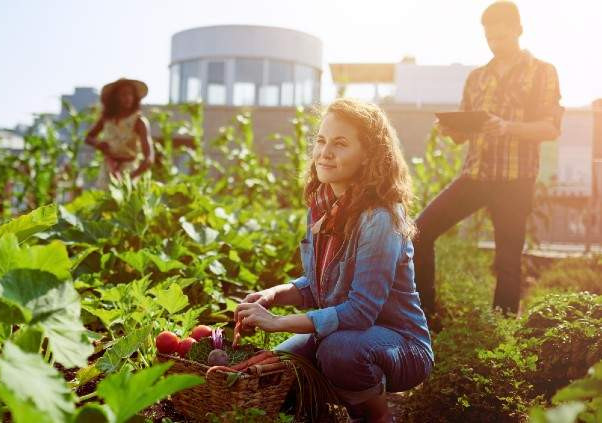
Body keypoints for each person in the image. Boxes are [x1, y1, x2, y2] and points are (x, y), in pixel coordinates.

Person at [235, 98, 433, 422]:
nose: (325, 152)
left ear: (369, 155)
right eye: (322, 141)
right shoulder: (323, 208)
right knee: (280, 367)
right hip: (347, 333)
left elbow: (359, 312)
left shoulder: (379, 218)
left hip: (402, 345)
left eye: (340, 144)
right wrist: (273, 295)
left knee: (338, 352)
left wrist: (277, 323)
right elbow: (317, 287)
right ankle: (328, 406)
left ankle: (377, 416)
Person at [413, 1, 563, 319]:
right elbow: (464, 135)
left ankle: (502, 328)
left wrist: (508, 127)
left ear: (518, 31)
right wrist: (449, 130)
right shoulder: (477, 78)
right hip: (476, 175)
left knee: (508, 260)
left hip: (515, 179)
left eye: (502, 38)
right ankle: (424, 314)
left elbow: (550, 128)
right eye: (489, 39)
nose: (495, 44)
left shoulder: (542, 72)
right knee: (419, 231)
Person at [84, 78, 154, 187]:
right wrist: (98, 144)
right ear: (115, 98)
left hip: (129, 170)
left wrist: (131, 177)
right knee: (103, 200)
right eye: (123, 94)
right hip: (108, 168)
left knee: (124, 202)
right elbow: (88, 137)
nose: (128, 98)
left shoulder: (139, 122)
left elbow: (149, 159)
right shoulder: (106, 119)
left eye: (130, 94)